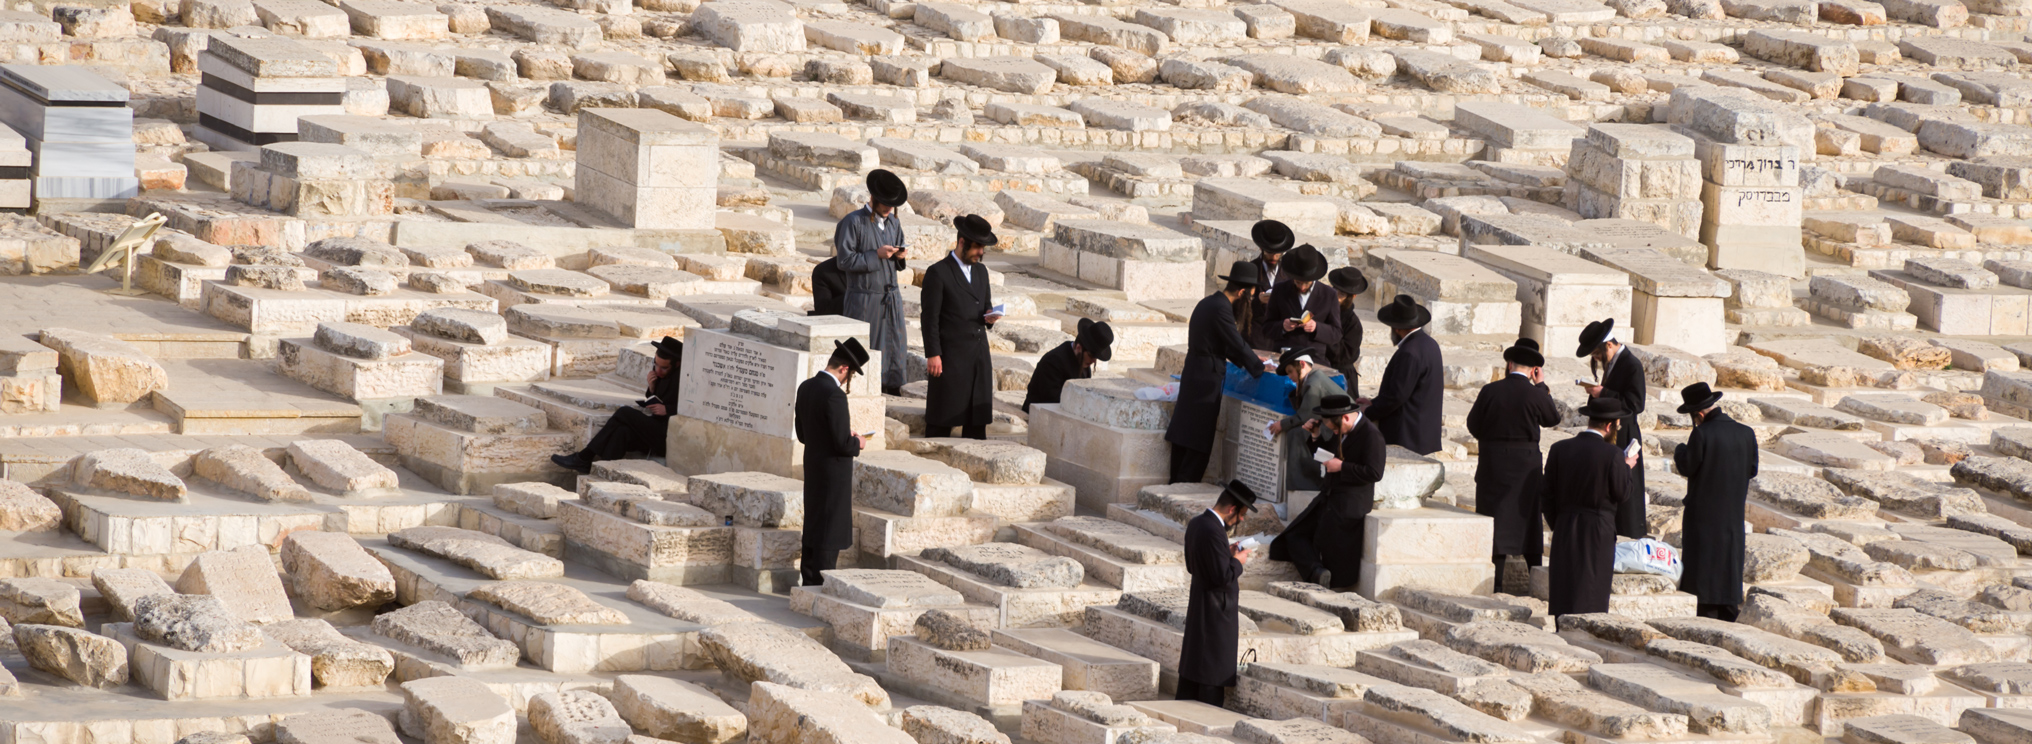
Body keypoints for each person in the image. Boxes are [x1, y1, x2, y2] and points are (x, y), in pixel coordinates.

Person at [1465, 338, 1562, 594]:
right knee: (1529, 521)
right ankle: (1535, 582)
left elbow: (1473, 425)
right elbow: (1553, 418)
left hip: (1493, 465)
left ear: (1509, 365)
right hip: (1526, 468)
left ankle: (1495, 584)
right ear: (1533, 370)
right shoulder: (1534, 393)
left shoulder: (1490, 391)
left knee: (1493, 518)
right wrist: (1541, 386)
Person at [1167, 261, 1270, 484]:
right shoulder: (1221, 309)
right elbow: (1236, 342)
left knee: (1186, 432)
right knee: (1198, 436)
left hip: (1196, 372)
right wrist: (1259, 367)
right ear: (1242, 292)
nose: (1249, 301)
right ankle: (1183, 486)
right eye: (1249, 296)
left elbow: (1222, 344)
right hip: (1205, 380)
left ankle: (1176, 482)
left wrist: (1250, 359)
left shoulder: (1209, 303)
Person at [1269, 394, 1383, 589]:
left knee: (1328, 545)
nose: (1336, 432)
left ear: (1346, 417)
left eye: (1336, 428)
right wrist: (1316, 436)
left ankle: (1323, 578)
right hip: (1329, 496)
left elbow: (1374, 472)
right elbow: (1328, 454)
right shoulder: (1343, 429)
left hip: (1349, 503)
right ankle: (1316, 572)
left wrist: (1342, 467)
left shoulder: (1371, 435)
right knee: (1294, 534)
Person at [1542, 396, 1638, 617]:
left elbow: (1546, 494)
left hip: (1566, 526)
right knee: (1591, 591)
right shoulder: (1613, 455)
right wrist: (1626, 468)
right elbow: (1622, 493)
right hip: (1598, 530)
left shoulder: (1559, 448)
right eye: (1618, 425)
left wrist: (1560, 522)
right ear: (1609, 426)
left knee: (1564, 587)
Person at [1672, 382, 1758, 622]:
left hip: (1703, 514)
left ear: (1698, 413)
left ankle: (1705, 611)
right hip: (1732, 512)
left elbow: (1688, 466)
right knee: (1728, 560)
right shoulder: (1746, 432)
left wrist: (1680, 450)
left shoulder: (1701, 434)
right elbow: (1752, 469)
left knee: (1703, 561)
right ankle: (1728, 608)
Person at [794, 339, 872, 586]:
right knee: (830, 529)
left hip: (814, 467)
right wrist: (858, 442)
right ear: (845, 369)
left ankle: (808, 581)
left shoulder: (805, 387)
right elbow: (842, 443)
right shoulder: (835, 395)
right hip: (833, 473)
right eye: (851, 375)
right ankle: (821, 585)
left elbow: (803, 434)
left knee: (814, 522)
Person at [1177, 479, 1259, 707]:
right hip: (1215, 617)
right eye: (1241, 514)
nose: (1241, 519)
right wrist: (1237, 560)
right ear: (1232, 509)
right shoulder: (1214, 531)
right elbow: (1222, 577)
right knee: (1211, 679)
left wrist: (1226, 553)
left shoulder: (1197, 524)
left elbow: (1195, 566)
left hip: (1201, 608)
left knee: (1193, 674)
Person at [921, 214, 1002, 440]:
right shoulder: (938, 273)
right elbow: (929, 318)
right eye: (977, 248)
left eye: (983, 248)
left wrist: (990, 317)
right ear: (962, 242)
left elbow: (985, 305)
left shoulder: (981, 272)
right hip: (951, 357)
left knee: (976, 420)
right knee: (943, 416)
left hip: (978, 356)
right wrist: (933, 354)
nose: (980, 253)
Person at [552, 336, 684, 473]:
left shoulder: (685, 381)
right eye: (655, 364)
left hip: (666, 436)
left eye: (663, 368)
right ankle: (603, 470)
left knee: (624, 412)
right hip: (652, 430)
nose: (657, 370)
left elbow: (694, 412)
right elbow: (656, 397)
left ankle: (584, 457)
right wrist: (652, 387)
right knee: (622, 432)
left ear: (677, 364)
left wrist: (668, 410)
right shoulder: (659, 374)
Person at [836, 169, 912, 395]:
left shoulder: (894, 223)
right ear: (874, 198)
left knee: (894, 349)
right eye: (885, 203)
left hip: (891, 300)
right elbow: (844, 260)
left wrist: (900, 257)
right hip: (864, 301)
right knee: (868, 350)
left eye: (892, 205)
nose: (889, 209)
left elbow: (898, 250)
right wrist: (875, 255)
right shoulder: (853, 222)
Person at [1577, 318, 1648, 538]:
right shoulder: (1612, 362)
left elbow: (1636, 404)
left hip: (1624, 434)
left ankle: (1627, 533)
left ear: (1609, 345)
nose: (1596, 358)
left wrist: (1603, 394)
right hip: (1609, 431)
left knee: (1624, 481)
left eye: (1597, 353)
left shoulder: (1631, 364)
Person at [1363, 295, 1443, 455]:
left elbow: (1397, 395)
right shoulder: (1429, 344)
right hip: (1422, 435)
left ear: (1396, 328)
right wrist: (1373, 402)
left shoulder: (1409, 353)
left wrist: (1368, 412)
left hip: (1407, 436)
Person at [1266, 347, 1345, 492]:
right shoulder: (1310, 380)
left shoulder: (1313, 383)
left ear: (1302, 364)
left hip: (1340, 428)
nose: (1289, 376)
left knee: (1297, 434)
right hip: (1332, 425)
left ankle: (1303, 486)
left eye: (1290, 371)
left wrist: (1281, 425)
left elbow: (1306, 416)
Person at [1258, 244, 1342, 360]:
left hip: (1314, 359)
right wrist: (1282, 326)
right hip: (1284, 356)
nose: (1302, 287)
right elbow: (1266, 328)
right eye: (1298, 282)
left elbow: (1336, 334)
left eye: (1306, 283)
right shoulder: (1279, 290)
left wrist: (1316, 327)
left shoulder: (1329, 295)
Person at [1023, 319, 1112, 413]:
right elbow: (1053, 400)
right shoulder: (1053, 361)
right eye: (1091, 356)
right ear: (1079, 348)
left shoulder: (1083, 362)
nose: (1093, 361)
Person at [1238, 220, 1293, 349]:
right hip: (1255, 338)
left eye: (1278, 253)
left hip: (1281, 338)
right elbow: (1238, 307)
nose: (1274, 257)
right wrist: (1259, 301)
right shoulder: (1250, 270)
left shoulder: (1289, 273)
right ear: (1261, 249)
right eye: (1269, 253)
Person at [1325, 267, 1367, 390]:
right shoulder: (1322, 311)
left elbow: (1344, 355)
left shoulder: (1353, 324)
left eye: (1341, 295)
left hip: (1341, 379)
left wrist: (1320, 335)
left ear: (1352, 296)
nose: (1336, 297)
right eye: (1335, 291)